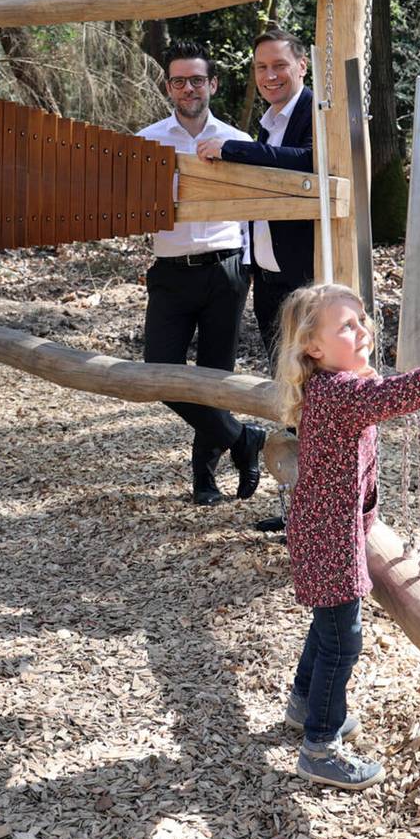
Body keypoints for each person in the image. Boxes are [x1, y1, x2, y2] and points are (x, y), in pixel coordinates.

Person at [273, 282, 420, 790]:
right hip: (330, 540)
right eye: (346, 326)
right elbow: (393, 396)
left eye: (361, 321)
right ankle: (320, 746)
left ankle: (304, 703)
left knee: (328, 627)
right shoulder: (340, 393)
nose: (361, 330)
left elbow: (378, 400)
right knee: (343, 642)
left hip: (326, 530)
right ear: (313, 347)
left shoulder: (336, 385)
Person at [135, 39, 266, 505]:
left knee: (215, 378)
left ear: (213, 84)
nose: (188, 89)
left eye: (196, 80)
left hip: (225, 270)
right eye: (179, 81)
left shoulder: (239, 139)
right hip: (170, 271)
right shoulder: (145, 141)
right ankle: (243, 439)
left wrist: (246, 270)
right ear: (168, 87)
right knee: (159, 372)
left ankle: (205, 480)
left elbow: (255, 211)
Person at [195, 26, 314, 364]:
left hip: (304, 279)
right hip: (265, 277)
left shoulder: (317, 111)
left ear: (302, 66)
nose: (269, 76)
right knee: (281, 376)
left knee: (311, 377)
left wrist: (232, 149)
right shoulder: (269, 122)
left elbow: (307, 161)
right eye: (261, 67)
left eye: (279, 65)